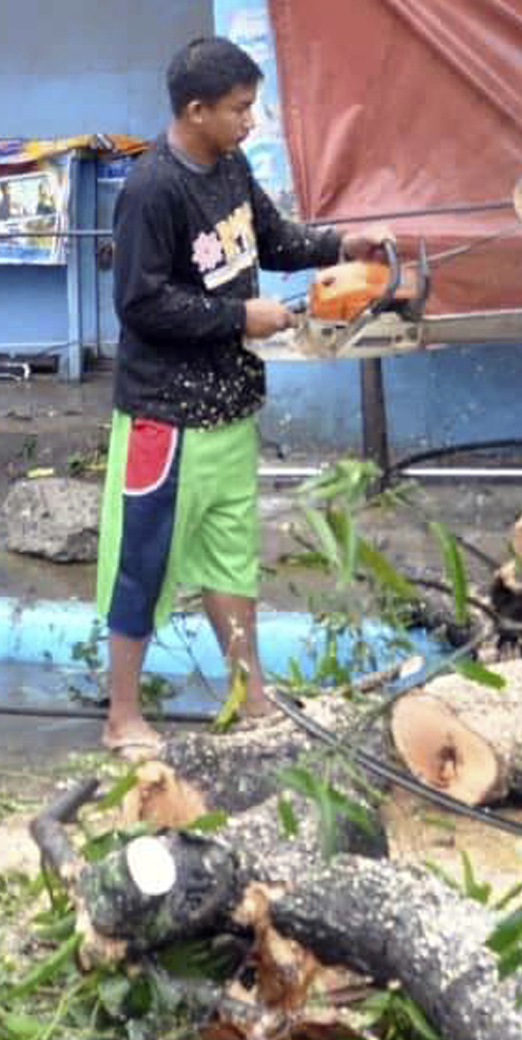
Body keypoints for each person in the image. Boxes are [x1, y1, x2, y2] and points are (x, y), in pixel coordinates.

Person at [97, 37, 389, 754]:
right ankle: (122, 716)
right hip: (164, 418)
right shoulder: (152, 189)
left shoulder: (230, 167)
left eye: (250, 107)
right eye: (238, 109)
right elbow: (139, 304)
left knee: (232, 559)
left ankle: (249, 693)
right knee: (145, 559)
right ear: (195, 111)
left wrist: (340, 245)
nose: (248, 121)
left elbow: (275, 239)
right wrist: (239, 317)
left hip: (228, 408)